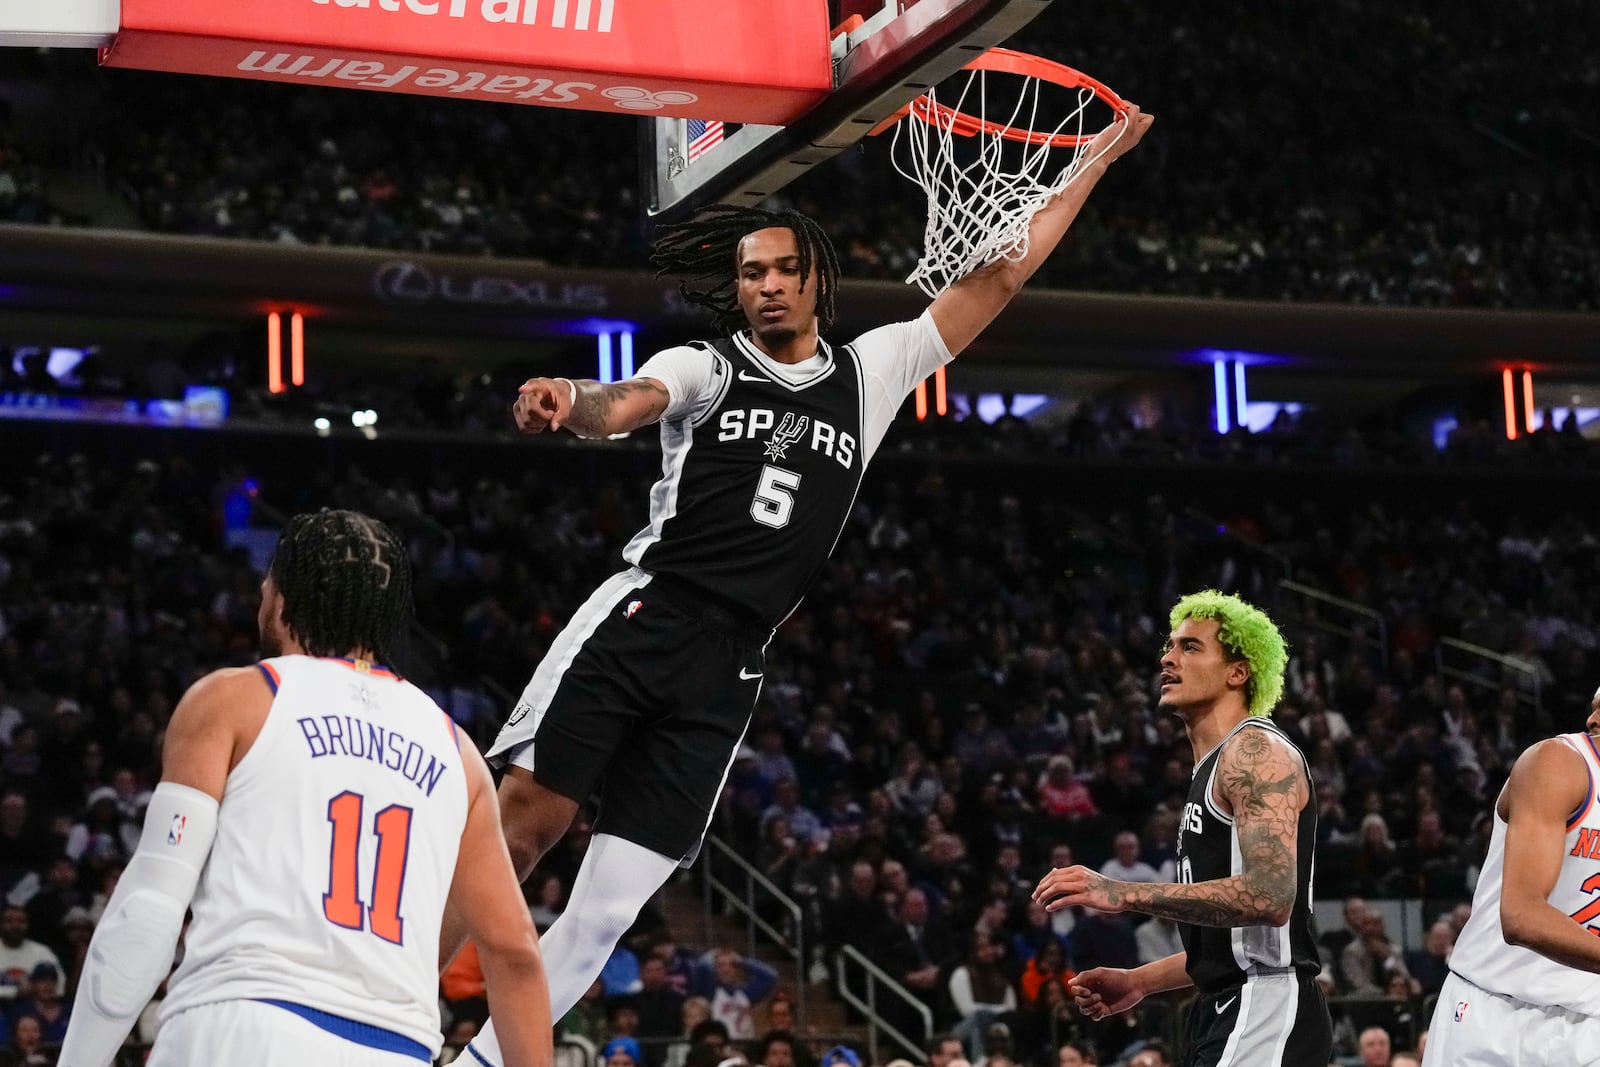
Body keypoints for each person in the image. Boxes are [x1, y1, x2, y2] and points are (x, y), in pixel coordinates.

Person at [453, 102, 1155, 1065]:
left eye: (785, 268)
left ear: (817, 276)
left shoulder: (871, 373)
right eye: (751, 274)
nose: (769, 286)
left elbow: (1002, 272)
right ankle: (378, 992)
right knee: (525, 821)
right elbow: (629, 403)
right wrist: (571, 400)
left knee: (609, 905)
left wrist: (1096, 159)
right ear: (735, 291)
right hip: (645, 615)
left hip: (732, 665)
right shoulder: (703, 364)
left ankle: (486, 1057)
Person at [58, 510, 552, 1067]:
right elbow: (514, 955)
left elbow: (147, 910)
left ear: (281, 596)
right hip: (395, 1047)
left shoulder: (235, 699)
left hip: (243, 1023)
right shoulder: (457, 751)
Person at [1034, 591, 1331, 1066]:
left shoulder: (1254, 753)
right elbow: (1234, 947)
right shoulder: (1209, 769)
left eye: (1191, 647)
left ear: (1238, 671)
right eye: (1169, 647)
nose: (1168, 659)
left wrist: (1122, 893)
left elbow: (1272, 898)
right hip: (1225, 1005)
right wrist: (1139, 982)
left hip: (1266, 1007)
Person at [1420, 686, 1600, 1066]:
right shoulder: (1558, 763)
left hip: (1588, 1027)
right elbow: (1521, 916)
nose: (1592, 719)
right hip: (1493, 1013)